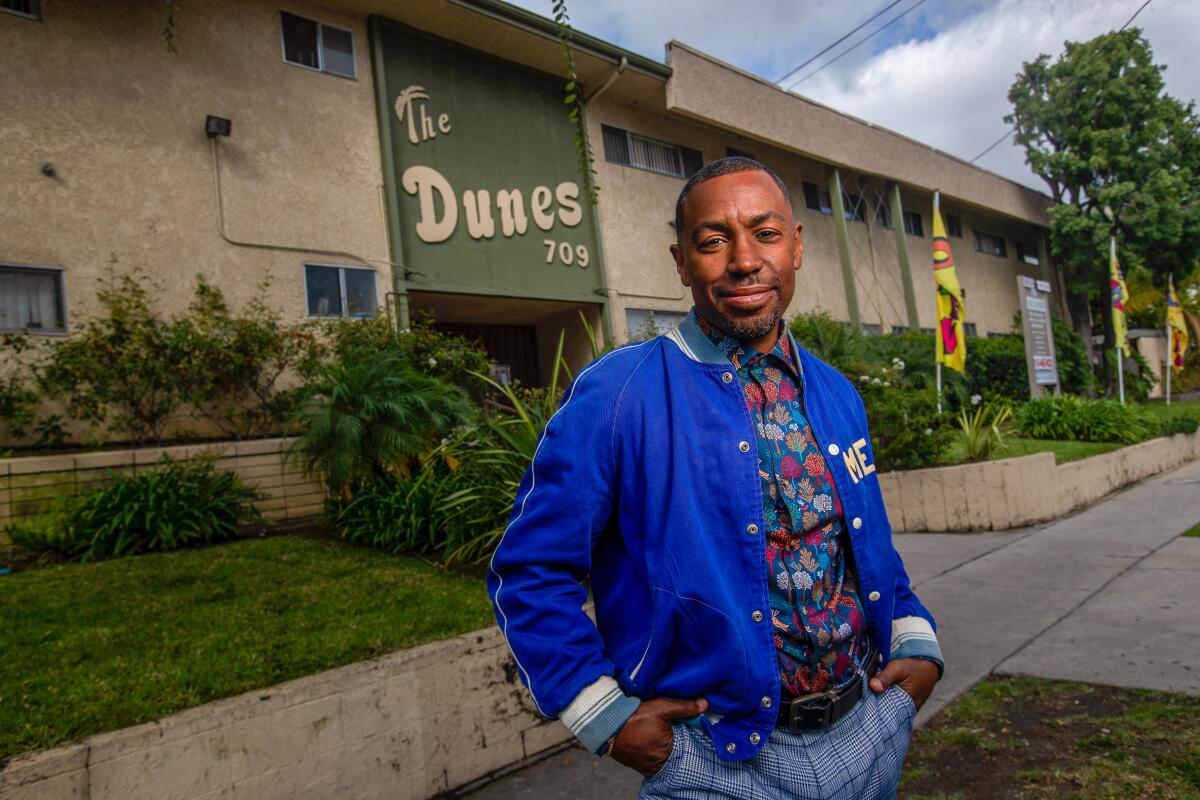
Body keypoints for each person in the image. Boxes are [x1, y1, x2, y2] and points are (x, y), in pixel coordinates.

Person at [487, 156, 942, 799]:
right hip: (714, 763)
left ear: (797, 246)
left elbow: (867, 549)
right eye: (713, 240)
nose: (744, 260)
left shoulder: (837, 393)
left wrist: (917, 643)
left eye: (766, 233)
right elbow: (529, 570)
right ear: (681, 263)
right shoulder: (619, 393)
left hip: (868, 731)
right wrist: (604, 718)